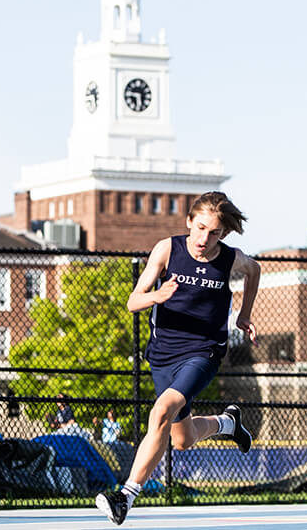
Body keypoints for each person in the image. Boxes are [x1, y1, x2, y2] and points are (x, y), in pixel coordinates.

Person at [96, 191, 261, 525]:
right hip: (163, 354)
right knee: (181, 439)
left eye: (213, 232)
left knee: (160, 411)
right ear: (189, 222)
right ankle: (227, 424)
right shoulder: (168, 249)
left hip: (203, 352)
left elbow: (254, 269)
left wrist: (244, 315)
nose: (204, 238)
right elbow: (133, 301)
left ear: (223, 234)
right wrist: (158, 295)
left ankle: (125, 496)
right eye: (199, 228)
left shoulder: (231, 259)